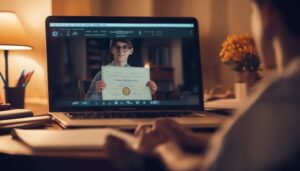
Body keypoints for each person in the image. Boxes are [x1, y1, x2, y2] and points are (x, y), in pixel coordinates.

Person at [105, 0, 300, 170]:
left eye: (251, 12)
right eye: (117, 47)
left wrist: (164, 148)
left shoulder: (283, 96)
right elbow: (266, 146)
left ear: (268, 14)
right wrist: (190, 138)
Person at [85, 39, 158, 101]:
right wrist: (97, 93)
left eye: (125, 47)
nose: (120, 50)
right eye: (117, 47)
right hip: (109, 112)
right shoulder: (101, 74)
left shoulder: (139, 76)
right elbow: (87, 101)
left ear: (131, 51)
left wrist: (148, 92)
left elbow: (142, 103)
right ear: (112, 50)